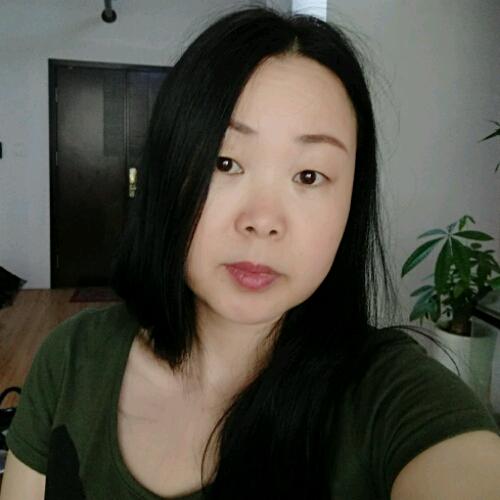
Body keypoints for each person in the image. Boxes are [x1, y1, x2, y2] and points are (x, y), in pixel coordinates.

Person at [2, 5, 500, 500]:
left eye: (309, 176)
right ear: (168, 172)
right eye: (225, 163)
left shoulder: (390, 400)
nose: (263, 220)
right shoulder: (71, 361)